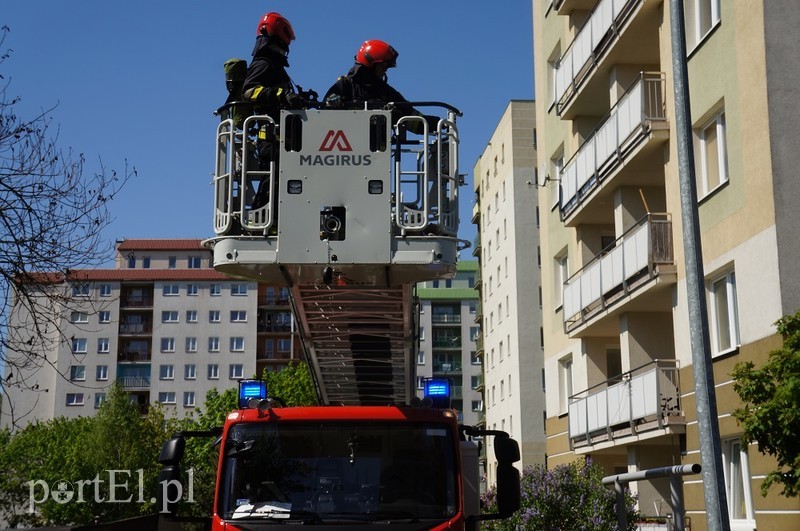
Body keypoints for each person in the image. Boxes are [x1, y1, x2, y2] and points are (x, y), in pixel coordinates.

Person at [242, 12, 304, 215]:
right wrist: (280, 94)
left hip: (281, 138)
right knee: (272, 180)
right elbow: (249, 91)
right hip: (270, 136)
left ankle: (274, 220)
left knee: (280, 181)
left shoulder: (274, 66)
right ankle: (258, 219)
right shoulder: (264, 63)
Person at [324, 40, 437, 132]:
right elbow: (321, 116)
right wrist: (331, 104)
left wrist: (441, 124)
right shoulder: (345, 85)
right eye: (383, 66)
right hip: (343, 152)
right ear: (370, 63)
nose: (385, 70)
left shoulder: (386, 92)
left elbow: (413, 119)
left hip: (376, 155)